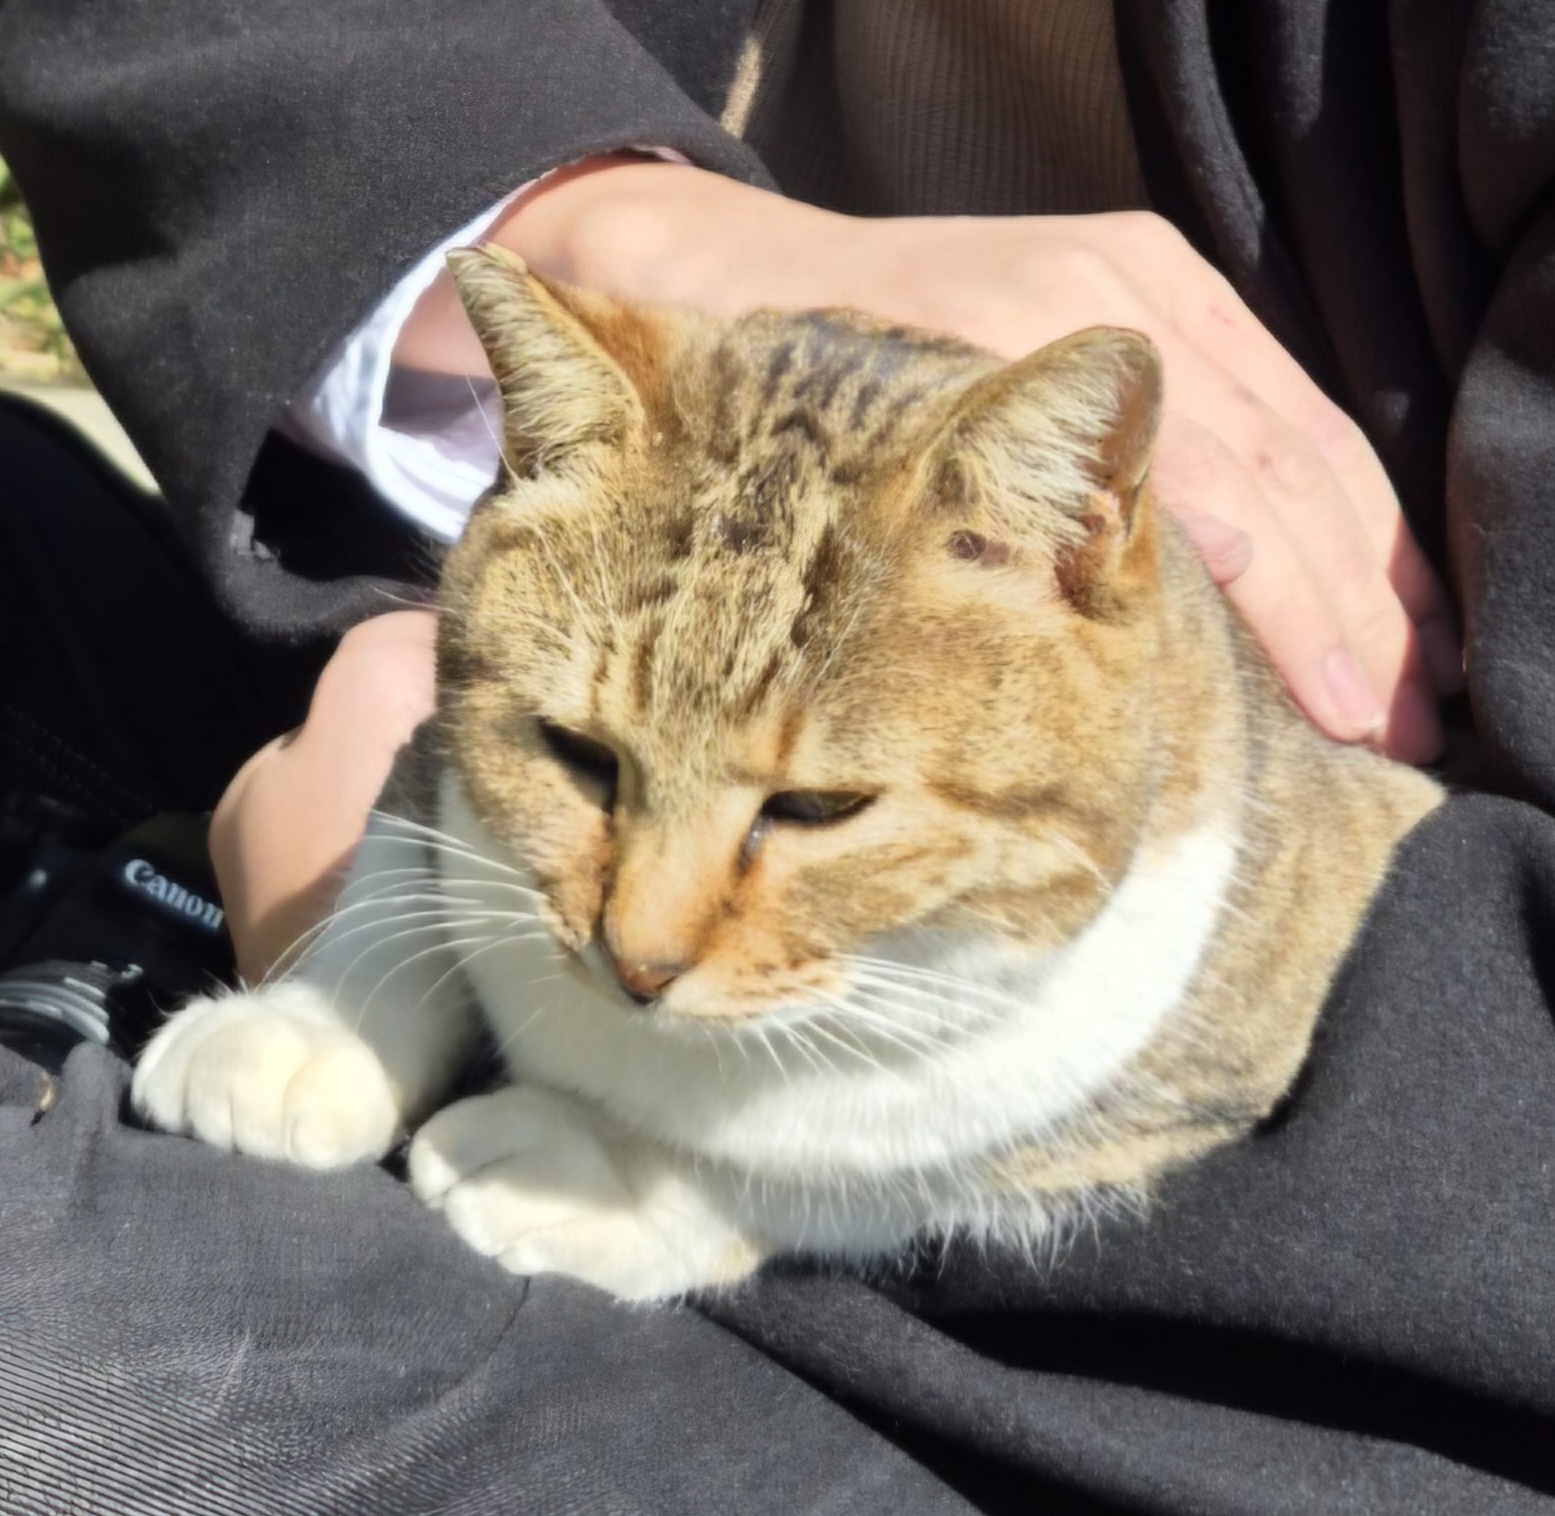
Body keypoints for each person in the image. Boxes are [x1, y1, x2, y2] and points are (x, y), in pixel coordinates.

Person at [2, 3, 1554, 1511]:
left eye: (811, 803)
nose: (646, 937)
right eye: (589, 763)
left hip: (1089, 1339)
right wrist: (590, 210)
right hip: (372, 675)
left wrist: (721, 1191)